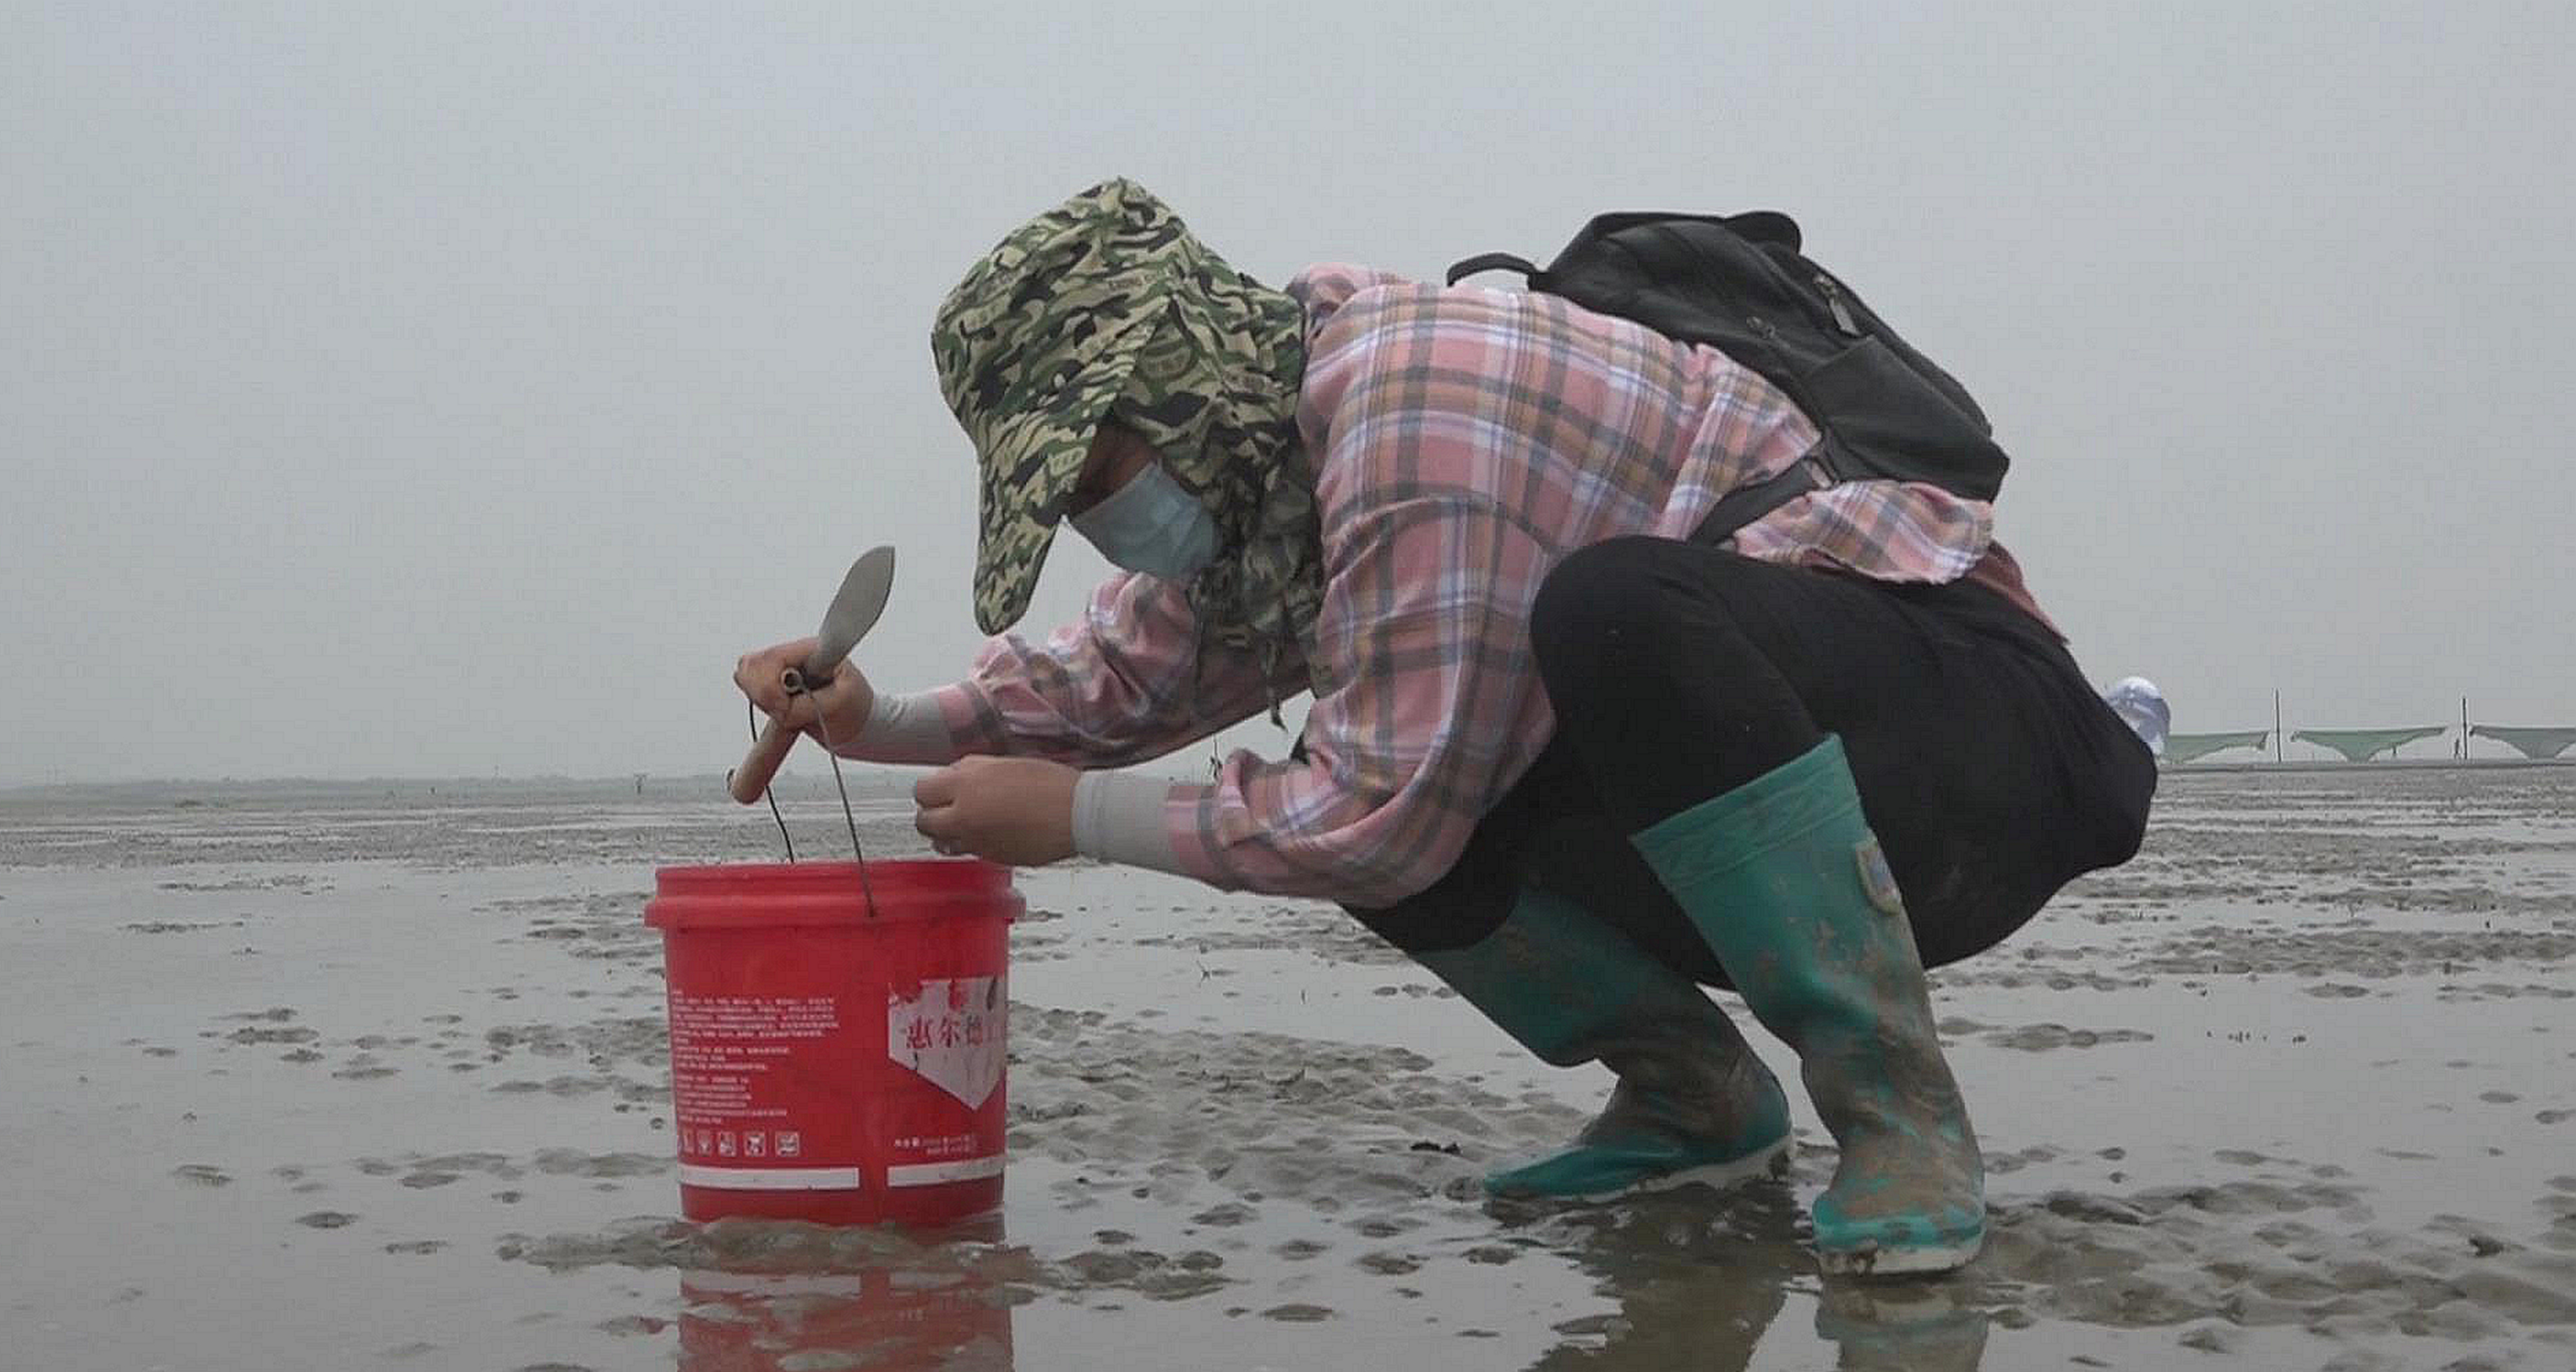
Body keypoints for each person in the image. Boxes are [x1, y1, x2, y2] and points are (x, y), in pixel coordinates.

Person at [736, 180, 2156, 1277]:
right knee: (1388, 766)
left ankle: (1898, 1116)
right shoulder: (1271, 469)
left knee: (1599, 626)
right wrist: (884, 718)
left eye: (1101, 471)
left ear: (1175, 382)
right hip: (1771, 770)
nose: (1106, 518)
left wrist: (1078, 822)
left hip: (1972, 748)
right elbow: (1124, 673)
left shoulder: (1418, 407)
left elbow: (1378, 808)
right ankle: (1691, 1105)